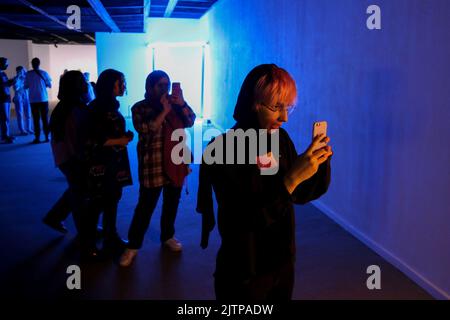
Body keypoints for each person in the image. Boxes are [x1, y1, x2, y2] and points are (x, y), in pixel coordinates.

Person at [196, 64, 333, 300]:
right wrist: (290, 179)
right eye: (276, 107)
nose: (285, 117)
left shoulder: (278, 139)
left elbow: (300, 194)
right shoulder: (222, 149)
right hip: (244, 272)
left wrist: (316, 163)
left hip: (281, 264)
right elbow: (244, 219)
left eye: (288, 106)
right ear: (253, 103)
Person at [119, 70, 196, 267]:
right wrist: (164, 111)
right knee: (145, 208)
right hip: (152, 167)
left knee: (172, 204)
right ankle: (133, 246)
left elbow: (191, 120)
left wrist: (182, 104)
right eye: (160, 85)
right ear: (149, 87)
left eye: (167, 85)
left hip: (175, 163)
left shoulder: (176, 106)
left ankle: (167, 236)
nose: (165, 89)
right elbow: (147, 128)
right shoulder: (140, 108)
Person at [86, 69, 133, 257]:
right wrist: (119, 141)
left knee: (112, 201)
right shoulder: (97, 108)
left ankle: (110, 237)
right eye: (119, 83)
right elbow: (94, 138)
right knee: (97, 203)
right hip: (101, 165)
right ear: (109, 85)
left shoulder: (111, 105)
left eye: (123, 82)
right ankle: (88, 244)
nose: (123, 86)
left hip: (114, 163)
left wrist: (123, 137)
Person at [47, 70, 94, 257]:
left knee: (76, 190)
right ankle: (85, 237)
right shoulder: (75, 109)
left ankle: (54, 217)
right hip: (73, 158)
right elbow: (76, 140)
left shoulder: (64, 107)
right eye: (83, 81)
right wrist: (83, 160)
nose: (86, 83)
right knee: (80, 195)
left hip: (65, 158)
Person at [24, 57, 52, 143]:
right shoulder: (44, 73)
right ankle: (47, 137)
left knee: (36, 119)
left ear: (32, 64)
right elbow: (49, 85)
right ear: (39, 64)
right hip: (43, 98)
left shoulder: (28, 74)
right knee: (45, 118)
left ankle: (37, 138)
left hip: (33, 99)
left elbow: (25, 86)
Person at [12, 66, 33, 135]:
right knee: (20, 114)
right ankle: (22, 130)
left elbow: (30, 86)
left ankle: (29, 128)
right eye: (19, 71)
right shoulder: (15, 79)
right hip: (18, 97)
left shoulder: (27, 78)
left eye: (22, 71)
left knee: (28, 113)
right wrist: (18, 78)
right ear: (17, 72)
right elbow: (15, 88)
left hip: (27, 97)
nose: (21, 72)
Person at [0, 57, 15, 144]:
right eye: (6, 63)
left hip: (6, 97)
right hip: (1, 98)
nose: (7, 65)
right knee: (4, 118)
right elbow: (2, 85)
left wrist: (12, 81)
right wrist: (9, 82)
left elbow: (6, 84)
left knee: (7, 118)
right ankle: (4, 136)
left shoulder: (3, 74)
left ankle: (7, 134)